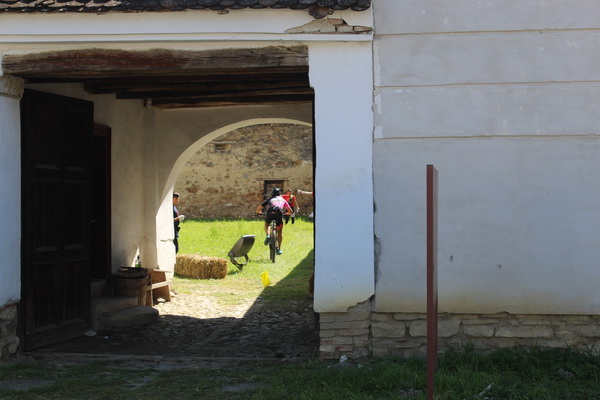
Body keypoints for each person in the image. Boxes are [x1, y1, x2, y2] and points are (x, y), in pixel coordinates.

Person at [256, 187, 292, 255]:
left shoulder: (269, 199)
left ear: (272, 194)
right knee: (280, 233)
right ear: (279, 194)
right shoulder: (283, 200)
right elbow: (290, 211)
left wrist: (259, 212)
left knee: (267, 225)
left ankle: (268, 235)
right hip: (279, 214)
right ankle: (279, 249)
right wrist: (287, 214)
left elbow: (258, 209)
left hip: (270, 214)